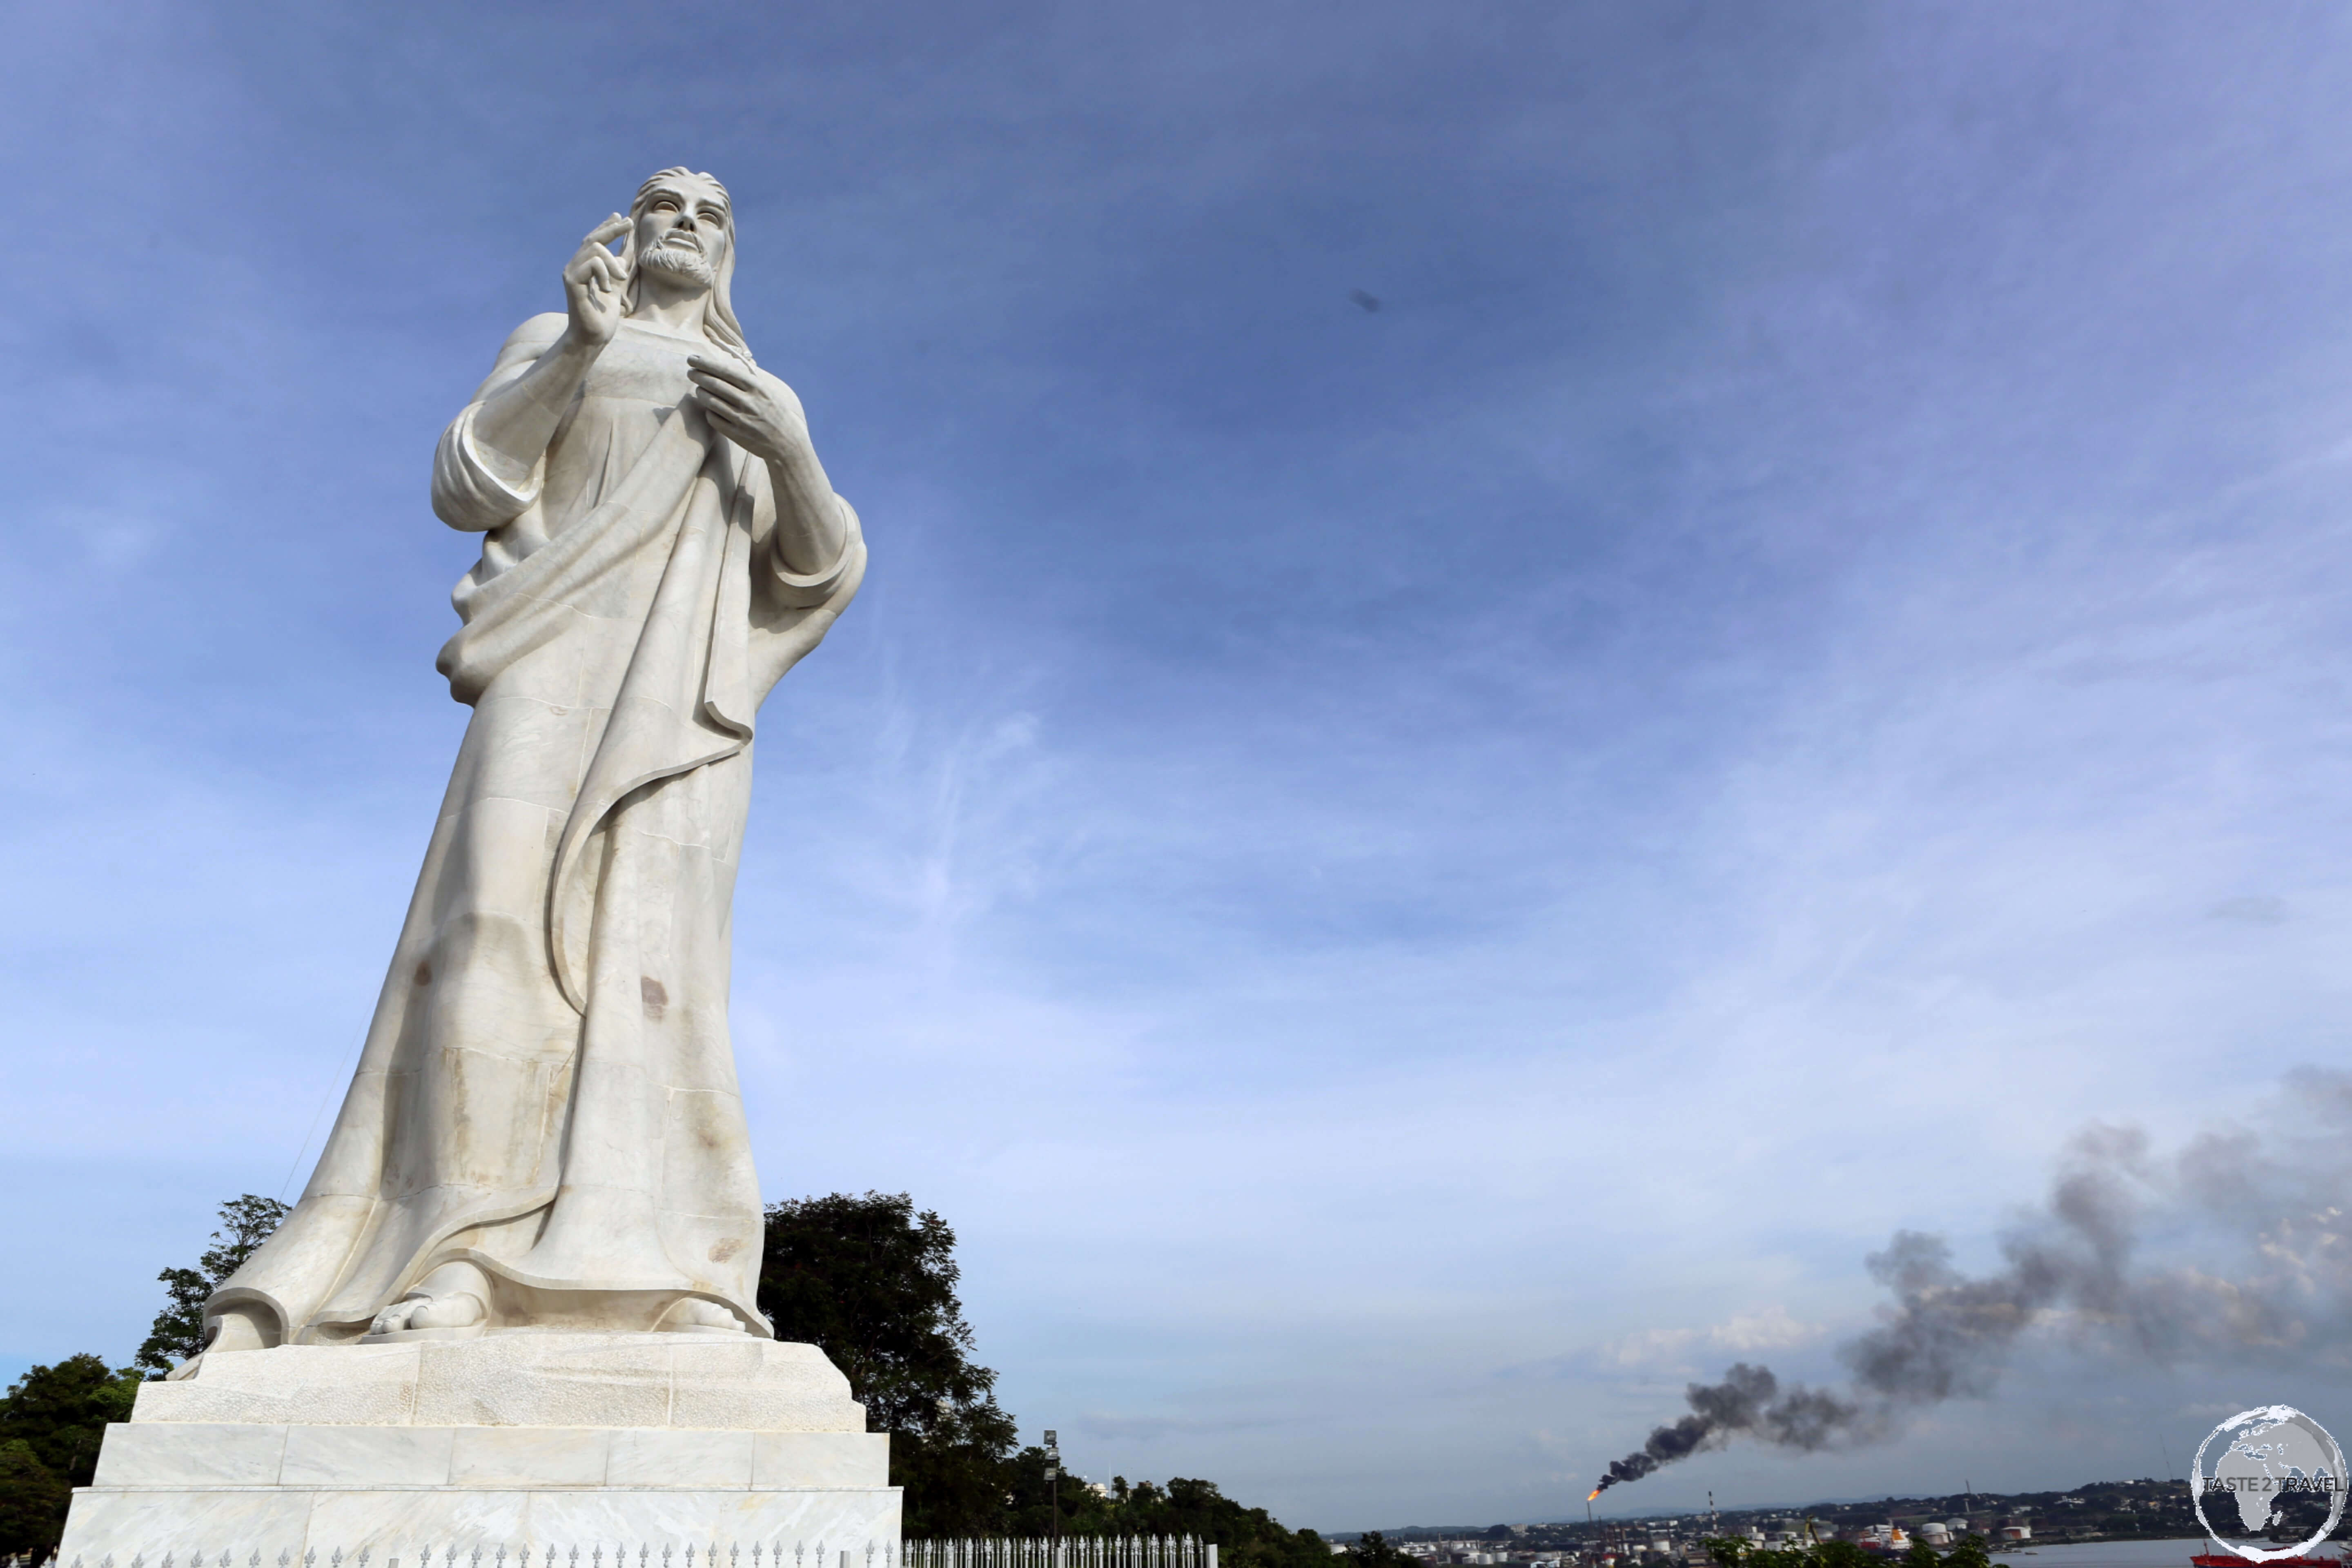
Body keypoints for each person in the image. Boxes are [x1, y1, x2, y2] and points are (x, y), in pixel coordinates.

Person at [194, 168, 865, 1360]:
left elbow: (816, 574)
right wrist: (575, 353)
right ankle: (454, 1258)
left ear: (732, 252)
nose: (690, 226)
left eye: (715, 215)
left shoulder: (762, 394)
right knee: (490, 943)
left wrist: (794, 450)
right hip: (548, 670)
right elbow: (469, 485)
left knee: (656, 975)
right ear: (628, 227)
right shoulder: (560, 336)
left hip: (684, 714)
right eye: (668, 205)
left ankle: (665, 1270)